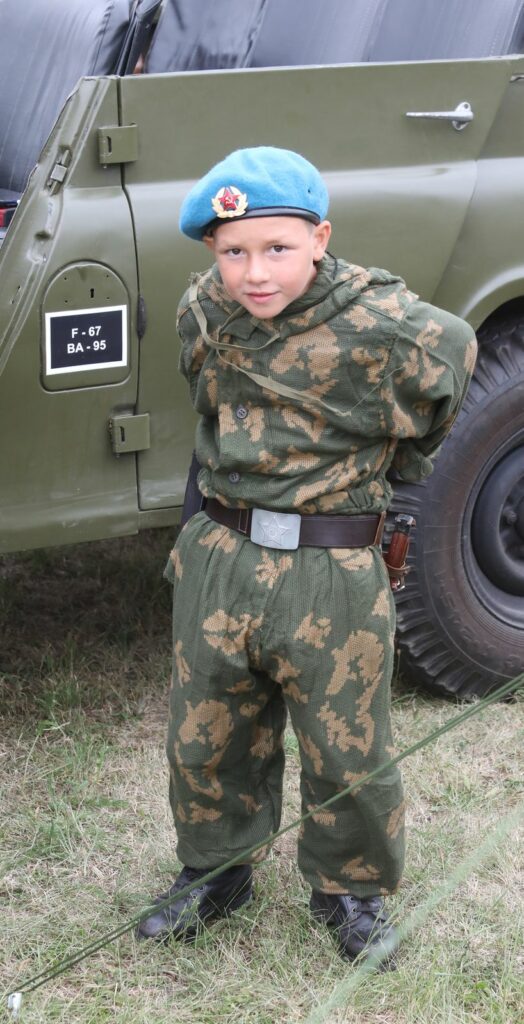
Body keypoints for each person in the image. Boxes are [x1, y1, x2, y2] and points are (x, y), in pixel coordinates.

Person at [138, 147, 477, 964]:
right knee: (206, 733)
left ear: (320, 239)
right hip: (223, 551)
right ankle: (216, 871)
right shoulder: (204, 309)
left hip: (330, 568)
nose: (254, 273)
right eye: (233, 251)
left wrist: (400, 464)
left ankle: (349, 892)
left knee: (347, 745)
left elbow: (456, 357)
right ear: (212, 251)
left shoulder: (383, 323)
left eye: (278, 248)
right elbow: (207, 397)